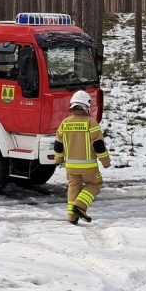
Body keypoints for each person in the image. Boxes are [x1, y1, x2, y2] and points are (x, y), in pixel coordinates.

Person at [54, 90, 110, 224]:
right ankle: (80, 206)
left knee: (73, 187)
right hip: (88, 166)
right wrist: (105, 161)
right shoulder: (91, 123)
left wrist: (58, 159)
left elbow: (58, 144)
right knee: (94, 184)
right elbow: (98, 145)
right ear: (86, 106)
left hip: (71, 167)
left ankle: (72, 218)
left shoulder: (64, 123)